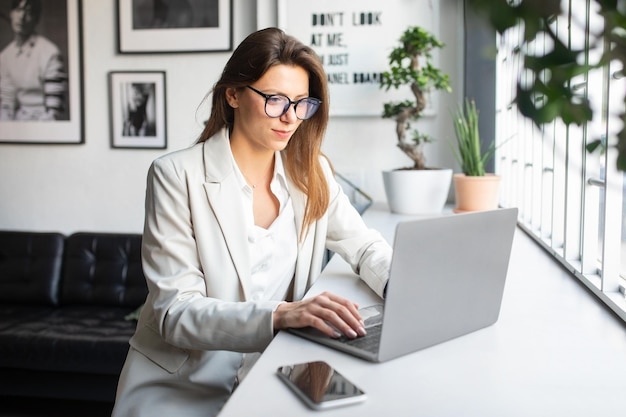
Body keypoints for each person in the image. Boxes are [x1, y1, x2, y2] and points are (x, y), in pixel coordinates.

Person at [111, 27, 392, 417]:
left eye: (301, 103)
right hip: (181, 390)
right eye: (275, 100)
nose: (291, 118)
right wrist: (280, 314)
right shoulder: (176, 175)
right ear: (233, 94)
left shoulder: (313, 174)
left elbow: (363, 245)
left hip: (272, 380)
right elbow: (174, 312)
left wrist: (401, 284)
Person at [0, 0, 68, 121]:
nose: (21, 16)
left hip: (44, 125)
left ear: (36, 19)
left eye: (28, 12)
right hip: (19, 127)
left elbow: (54, 111)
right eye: (18, 10)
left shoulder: (50, 53)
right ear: (11, 14)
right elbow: (6, 106)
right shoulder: (5, 56)